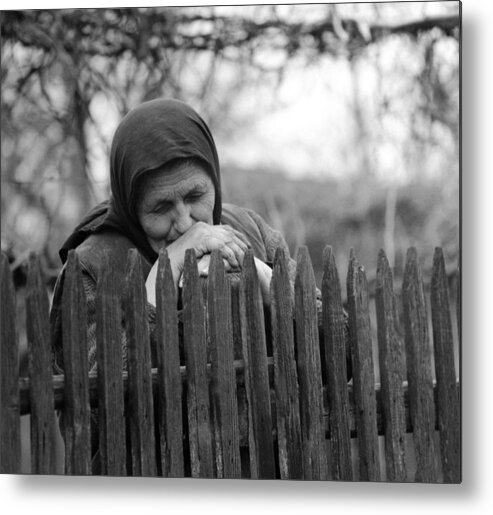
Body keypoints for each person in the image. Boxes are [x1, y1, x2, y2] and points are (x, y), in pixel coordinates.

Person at [50, 98, 298, 377]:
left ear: (214, 182)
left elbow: (345, 354)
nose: (185, 224)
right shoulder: (90, 269)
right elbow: (104, 405)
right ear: (132, 209)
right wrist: (160, 282)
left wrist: (270, 283)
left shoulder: (252, 229)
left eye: (195, 196)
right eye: (161, 207)